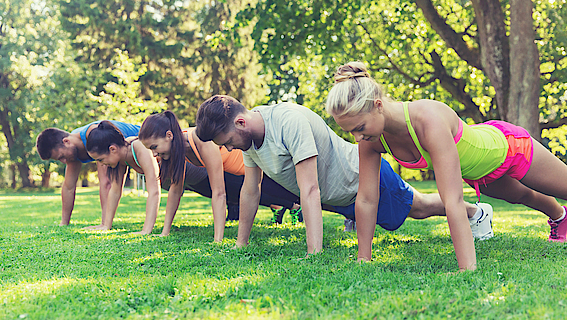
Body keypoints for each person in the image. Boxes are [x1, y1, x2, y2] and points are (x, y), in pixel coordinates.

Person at [326, 61, 567, 271]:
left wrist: (467, 269)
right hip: (481, 173)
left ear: (378, 105)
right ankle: (560, 218)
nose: (357, 138)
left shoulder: (428, 120)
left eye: (359, 128)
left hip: (508, 148)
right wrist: (363, 259)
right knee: (525, 196)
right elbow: (367, 199)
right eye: (350, 132)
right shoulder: (372, 140)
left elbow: (452, 200)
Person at [194, 95, 493, 257]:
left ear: (241, 122)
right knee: (412, 209)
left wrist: (314, 253)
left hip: (361, 180)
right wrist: (240, 244)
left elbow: (309, 190)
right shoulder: (249, 138)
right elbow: (250, 190)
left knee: (418, 208)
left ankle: (477, 213)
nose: (228, 148)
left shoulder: (288, 122)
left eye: (227, 140)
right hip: (339, 198)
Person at [137, 110, 303, 241]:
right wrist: (165, 232)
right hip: (244, 175)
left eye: (154, 147)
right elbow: (175, 190)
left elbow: (219, 193)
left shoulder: (201, 141)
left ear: (169, 136)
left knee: (307, 195)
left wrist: (218, 239)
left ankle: (298, 209)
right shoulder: (178, 150)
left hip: (261, 171)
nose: (153, 154)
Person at [36, 121, 140, 226]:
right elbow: (68, 187)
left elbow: (107, 183)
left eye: (61, 156)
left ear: (66, 141)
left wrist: (104, 225)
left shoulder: (95, 136)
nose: (63, 161)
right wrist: (64, 223)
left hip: (144, 141)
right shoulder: (73, 148)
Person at [85, 121, 160, 234]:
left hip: (191, 171)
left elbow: (154, 190)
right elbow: (115, 191)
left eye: (100, 159)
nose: (101, 164)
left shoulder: (139, 146)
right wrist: (106, 225)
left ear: (113, 149)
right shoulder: (120, 158)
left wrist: (146, 230)